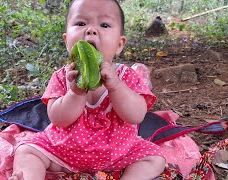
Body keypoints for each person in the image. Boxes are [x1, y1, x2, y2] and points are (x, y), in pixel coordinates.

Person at [9, 0, 166, 179]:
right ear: (67, 40)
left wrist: (116, 87)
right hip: (64, 153)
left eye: (104, 24)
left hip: (118, 154)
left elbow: (136, 115)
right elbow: (58, 119)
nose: (91, 30)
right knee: (27, 151)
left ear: (120, 44)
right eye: (81, 23)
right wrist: (75, 93)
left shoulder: (127, 76)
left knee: (155, 159)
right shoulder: (62, 76)